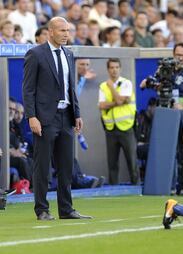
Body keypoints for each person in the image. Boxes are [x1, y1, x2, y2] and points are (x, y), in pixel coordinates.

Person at [22, 17, 91, 221]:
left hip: (66, 117)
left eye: (68, 31)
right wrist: (31, 116)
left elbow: (70, 88)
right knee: (42, 166)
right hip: (44, 118)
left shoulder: (69, 54)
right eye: (62, 30)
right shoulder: (35, 54)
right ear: (50, 32)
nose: (66, 34)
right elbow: (28, 90)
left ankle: (66, 209)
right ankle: (42, 210)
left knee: (66, 165)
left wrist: (76, 113)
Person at [140, 42, 183, 195]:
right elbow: (149, 83)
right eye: (178, 54)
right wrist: (151, 84)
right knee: (165, 151)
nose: (180, 58)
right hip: (165, 116)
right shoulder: (165, 69)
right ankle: (167, 185)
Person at [98, 58, 139, 185]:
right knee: (112, 162)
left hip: (126, 127)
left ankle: (136, 187)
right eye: (111, 67)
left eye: (116, 67)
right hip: (110, 128)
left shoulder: (126, 83)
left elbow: (122, 101)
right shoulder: (103, 86)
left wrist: (112, 88)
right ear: (108, 69)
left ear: (120, 69)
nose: (114, 70)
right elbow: (101, 105)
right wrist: (116, 102)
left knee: (131, 160)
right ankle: (113, 189)